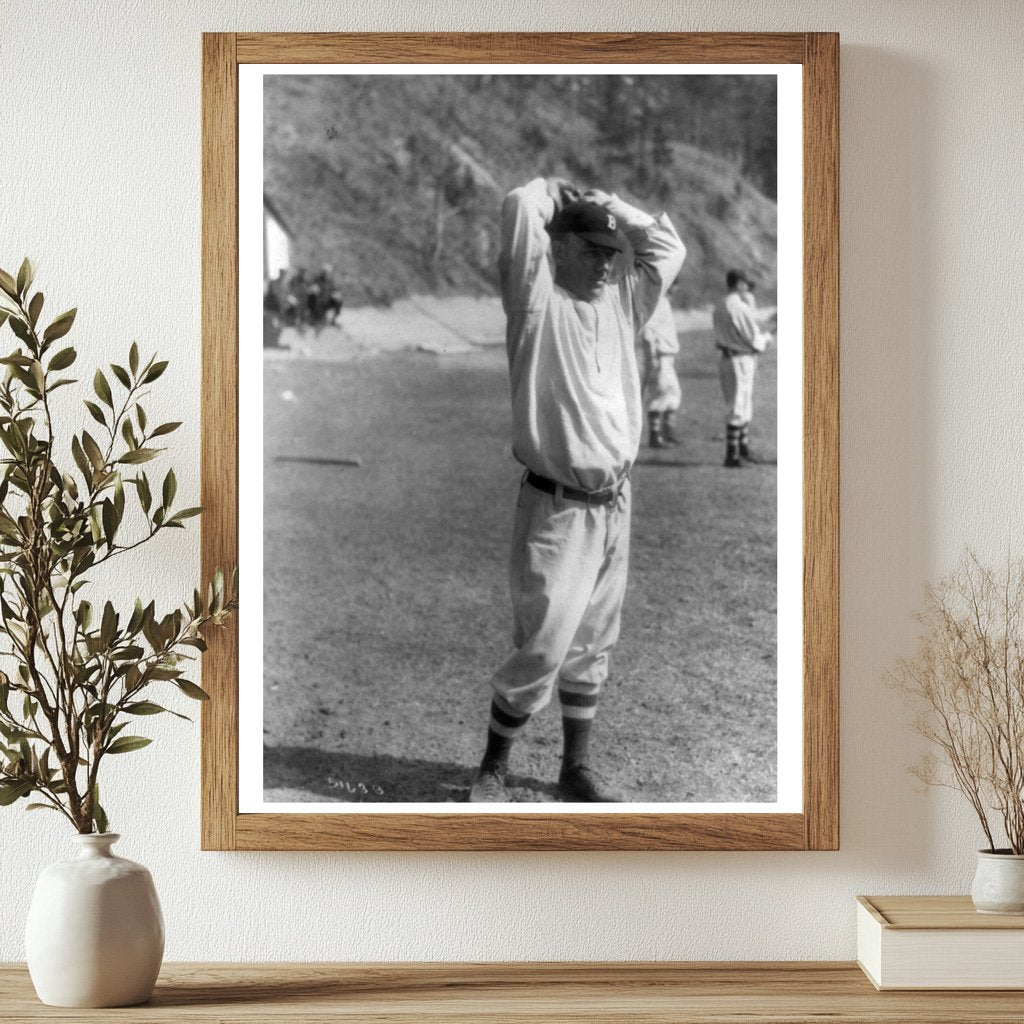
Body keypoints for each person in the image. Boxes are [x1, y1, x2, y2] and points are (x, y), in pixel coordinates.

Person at [469, 177, 685, 803]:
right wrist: (551, 191)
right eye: (590, 250)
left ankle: (575, 768)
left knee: (594, 641)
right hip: (556, 505)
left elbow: (667, 248)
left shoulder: (620, 303)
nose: (604, 265)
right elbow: (519, 209)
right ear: (557, 247)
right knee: (543, 645)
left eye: (610, 254)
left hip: (615, 503)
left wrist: (610, 204)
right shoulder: (535, 303)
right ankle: (492, 769)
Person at [712, 269, 774, 467]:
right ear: (739, 283)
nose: (747, 286)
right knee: (738, 406)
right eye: (745, 283)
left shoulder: (720, 304)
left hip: (729, 357)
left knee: (742, 404)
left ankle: (743, 450)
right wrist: (770, 334)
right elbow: (753, 340)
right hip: (739, 359)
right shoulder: (738, 306)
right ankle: (732, 456)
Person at [639, 291, 682, 448]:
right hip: (659, 356)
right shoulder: (656, 300)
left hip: (668, 356)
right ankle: (655, 436)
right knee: (659, 395)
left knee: (673, 394)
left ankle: (668, 433)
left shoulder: (664, 302)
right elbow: (648, 331)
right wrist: (652, 358)